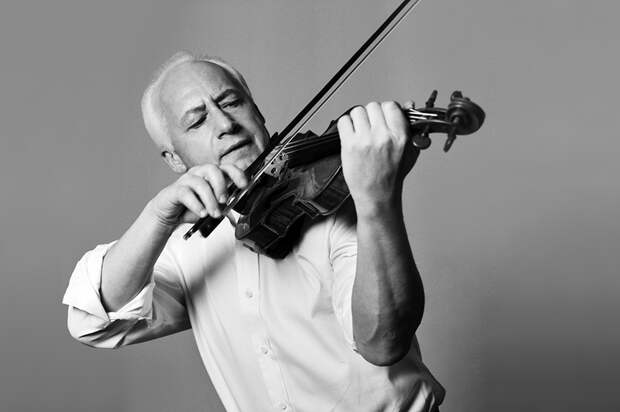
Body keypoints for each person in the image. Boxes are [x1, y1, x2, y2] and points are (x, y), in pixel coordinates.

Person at [63, 51, 445, 411]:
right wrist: (157, 217)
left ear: (257, 111)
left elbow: (382, 342)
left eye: (231, 103)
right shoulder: (185, 247)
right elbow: (93, 321)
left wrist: (377, 199)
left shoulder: (337, 204)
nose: (225, 125)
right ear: (175, 159)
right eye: (197, 121)